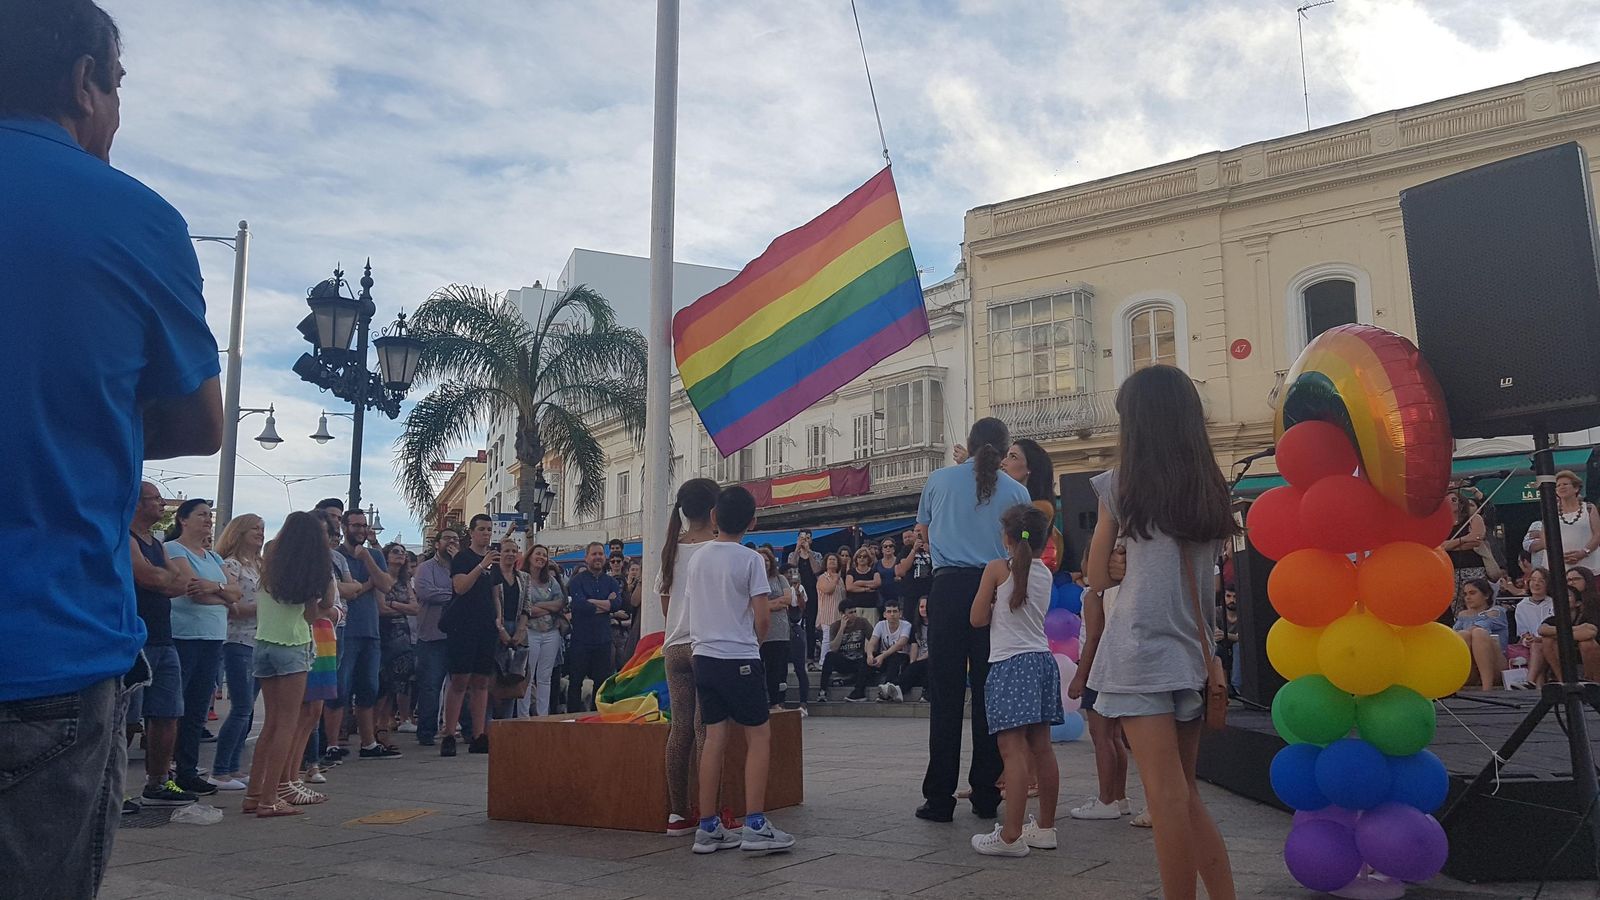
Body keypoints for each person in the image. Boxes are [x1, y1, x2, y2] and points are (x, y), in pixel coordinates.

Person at [0, 1, 225, 892]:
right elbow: (201, 426)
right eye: (119, 85)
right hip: (41, 650)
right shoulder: (134, 218)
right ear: (84, 80)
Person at [1073, 365, 1236, 900]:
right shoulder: (1210, 487)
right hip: (1192, 652)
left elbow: (1096, 577)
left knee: (1164, 797)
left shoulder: (1119, 484)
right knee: (1186, 794)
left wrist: (1116, 559)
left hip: (1138, 649)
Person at [915, 417, 1032, 822]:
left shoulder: (938, 480)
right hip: (996, 588)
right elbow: (1026, 541)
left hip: (948, 589)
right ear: (1004, 448)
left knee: (945, 696)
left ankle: (939, 798)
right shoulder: (1017, 491)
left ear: (969, 442)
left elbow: (923, 533)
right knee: (989, 695)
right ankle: (985, 793)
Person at [684, 486, 795, 854]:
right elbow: (762, 618)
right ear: (753, 522)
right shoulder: (750, 560)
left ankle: (707, 825)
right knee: (758, 736)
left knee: (714, 738)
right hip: (739, 656)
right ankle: (756, 824)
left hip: (703, 656)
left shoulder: (697, 558)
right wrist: (753, 646)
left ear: (714, 516)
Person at [967, 504, 1062, 857]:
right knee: (1042, 747)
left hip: (1010, 663)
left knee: (1013, 750)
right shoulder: (1045, 573)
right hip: (1042, 660)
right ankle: (1046, 828)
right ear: (1043, 540)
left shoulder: (996, 569)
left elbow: (976, 618)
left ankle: (1010, 835)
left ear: (1006, 537)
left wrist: (994, 604)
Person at [244, 512, 334, 818]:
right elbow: (313, 615)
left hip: (263, 643)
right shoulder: (309, 571)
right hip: (292, 645)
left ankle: (254, 793)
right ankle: (270, 798)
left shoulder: (269, 565)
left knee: (270, 723)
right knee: (287, 723)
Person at [164, 499, 241, 798]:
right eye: (201, 515)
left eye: (210, 515)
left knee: (197, 707)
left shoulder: (213, 556)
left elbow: (235, 592)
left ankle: (188, 769)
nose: (208, 520)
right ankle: (166, 769)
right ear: (183, 520)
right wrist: (223, 596)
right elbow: (192, 589)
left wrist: (217, 589)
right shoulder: (174, 549)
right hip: (185, 635)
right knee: (177, 704)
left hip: (212, 637)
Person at [128, 482, 198, 808]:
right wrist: (166, 579)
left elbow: (180, 584)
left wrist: (165, 579)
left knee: (168, 713)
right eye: (154, 498)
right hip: (135, 638)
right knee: (126, 719)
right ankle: (112, 787)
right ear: (136, 503)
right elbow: (149, 578)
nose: (160, 503)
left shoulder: (156, 543)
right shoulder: (126, 538)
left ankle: (157, 782)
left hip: (163, 638)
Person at [660, 479, 718, 835]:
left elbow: (665, 604)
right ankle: (710, 811)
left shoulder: (671, 548)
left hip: (674, 646)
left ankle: (677, 813)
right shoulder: (717, 548)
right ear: (714, 510)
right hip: (706, 646)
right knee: (705, 728)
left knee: (679, 728)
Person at [334, 508, 398, 759]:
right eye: (356, 525)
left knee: (369, 687)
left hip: (370, 631)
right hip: (344, 630)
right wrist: (366, 585)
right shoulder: (336, 555)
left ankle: (368, 743)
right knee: (340, 689)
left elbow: (386, 584)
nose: (361, 530)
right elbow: (344, 592)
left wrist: (366, 559)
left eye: (364, 525)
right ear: (344, 527)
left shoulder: (374, 555)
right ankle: (333, 742)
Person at [290, 517, 343, 793]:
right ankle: (292, 771)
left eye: (328, 533)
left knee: (315, 709)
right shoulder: (295, 563)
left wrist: (331, 611)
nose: (326, 538)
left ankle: (308, 764)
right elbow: (316, 606)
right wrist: (328, 608)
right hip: (300, 636)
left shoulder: (327, 566)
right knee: (299, 708)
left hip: (324, 636)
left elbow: (334, 606)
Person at [213, 513, 265, 790]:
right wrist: (263, 607)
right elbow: (232, 607)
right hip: (239, 641)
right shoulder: (231, 565)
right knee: (242, 707)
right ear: (239, 532)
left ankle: (234, 766)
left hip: (259, 640)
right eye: (254, 528)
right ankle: (220, 769)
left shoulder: (260, 565)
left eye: (262, 528)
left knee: (248, 708)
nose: (260, 533)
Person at [442, 515, 501, 756]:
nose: (486, 534)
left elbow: (495, 593)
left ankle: (479, 735)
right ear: (472, 532)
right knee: (459, 680)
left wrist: (498, 618)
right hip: (463, 626)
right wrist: (481, 566)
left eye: (489, 530)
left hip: (485, 626)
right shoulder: (463, 558)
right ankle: (449, 733)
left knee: (481, 681)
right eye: (482, 529)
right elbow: (460, 587)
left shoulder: (494, 561)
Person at [412, 528, 457, 745]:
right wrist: (457, 594)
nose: (451, 542)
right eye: (447, 538)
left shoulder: (462, 568)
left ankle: (461, 729)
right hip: (432, 635)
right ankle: (427, 731)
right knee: (431, 686)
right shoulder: (425, 568)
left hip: (457, 636)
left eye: (455, 539)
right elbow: (426, 593)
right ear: (437, 544)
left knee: (460, 685)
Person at [566, 543, 621, 714]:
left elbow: (617, 604)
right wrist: (606, 603)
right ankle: (573, 717)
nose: (598, 557)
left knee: (602, 682)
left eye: (600, 554)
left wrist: (592, 601)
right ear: (586, 558)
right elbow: (579, 605)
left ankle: (597, 717)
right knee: (575, 681)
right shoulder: (577, 581)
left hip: (603, 640)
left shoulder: (611, 582)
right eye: (594, 554)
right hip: (581, 640)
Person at [517, 543, 566, 717]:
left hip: (551, 633)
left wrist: (539, 606)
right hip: (530, 632)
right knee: (527, 676)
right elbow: (525, 608)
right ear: (530, 556)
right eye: (538, 554)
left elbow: (559, 603)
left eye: (544, 555)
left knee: (545, 677)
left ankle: (543, 715)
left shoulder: (551, 581)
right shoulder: (522, 578)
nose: (541, 558)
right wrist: (548, 607)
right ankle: (523, 716)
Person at [376, 543, 419, 743]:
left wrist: (393, 604)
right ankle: (375, 726)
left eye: (403, 552)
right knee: (381, 682)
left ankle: (384, 725)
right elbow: (381, 608)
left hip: (402, 635)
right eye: (395, 551)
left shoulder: (405, 581)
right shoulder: (380, 578)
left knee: (397, 683)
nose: (400, 555)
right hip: (383, 633)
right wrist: (402, 607)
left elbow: (415, 608)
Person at [1003, 438, 1065, 571]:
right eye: (1006, 456)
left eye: (1013, 457)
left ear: (1030, 468)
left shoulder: (1042, 507)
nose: (1004, 462)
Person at [1524, 470, 1600, 573]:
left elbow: (1597, 534)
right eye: (1558, 485)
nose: (1561, 487)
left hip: (1588, 564)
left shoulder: (1589, 508)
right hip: (1558, 565)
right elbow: (1545, 537)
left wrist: (1583, 553)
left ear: (1576, 488)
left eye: (1565, 484)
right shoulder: (1550, 510)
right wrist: (1558, 555)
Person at [1540, 573, 1600, 681]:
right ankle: (1563, 680)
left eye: (1567, 596)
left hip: (1588, 654)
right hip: (1565, 653)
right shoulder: (1554, 618)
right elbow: (1542, 630)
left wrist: (1556, 634)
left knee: (1586, 643)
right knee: (1547, 640)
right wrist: (1576, 630)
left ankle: (1592, 681)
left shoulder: (1586, 616)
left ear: (1577, 603)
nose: (1562, 598)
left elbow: (1590, 633)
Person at [1452, 577, 1508, 691]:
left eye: (1472, 593)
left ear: (1486, 595)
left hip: (1495, 666)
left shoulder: (1497, 611)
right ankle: (1455, 684)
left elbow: (1481, 626)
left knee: (1478, 633)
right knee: (1464, 636)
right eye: (1465, 594)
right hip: (1471, 668)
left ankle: (1487, 689)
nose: (1468, 597)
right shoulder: (1462, 616)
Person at [758, 548, 793, 709]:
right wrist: (775, 604)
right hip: (758, 631)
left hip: (779, 631)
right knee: (758, 670)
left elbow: (787, 599)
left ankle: (775, 702)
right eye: (761, 560)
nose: (764, 563)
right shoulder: (753, 579)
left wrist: (763, 606)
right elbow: (751, 604)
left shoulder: (780, 579)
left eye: (766, 560)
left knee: (775, 669)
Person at [818, 609, 874, 702]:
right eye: (850, 613)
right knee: (829, 656)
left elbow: (874, 640)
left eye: (855, 611)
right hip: (844, 661)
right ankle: (822, 691)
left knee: (868, 660)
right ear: (842, 614)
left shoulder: (862, 622)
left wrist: (869, 653)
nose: (854, 614)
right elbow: (834, 648)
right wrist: (842, 628)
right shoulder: (835, 626)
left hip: (859, 660)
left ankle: (858, 691)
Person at [1513, 568, 1556, 689]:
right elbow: (1523, 632)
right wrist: (1527, 638)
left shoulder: (1554, 603)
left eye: (1541, 581)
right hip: (1532, 645)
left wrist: (1538, 639)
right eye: (1533, 580)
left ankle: (1530, 681)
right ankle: (1536, 687)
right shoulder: (1521, 605)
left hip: (1550, 641)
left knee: (1538, 646)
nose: (1536, 584)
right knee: (1536, 647)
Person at [788, 530, 825, 660]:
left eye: (807, 538)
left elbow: (817, 570)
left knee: (810, 624)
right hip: (797, 592)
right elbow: (791, 566)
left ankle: (810, 655)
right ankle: (796, 655)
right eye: (802, 538)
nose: (805, 541)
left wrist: (808, 552)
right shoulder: (792, 554)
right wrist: (797, 549)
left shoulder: (817, 555)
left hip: (813, 592)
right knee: (796, 623)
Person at [868, 600, 914, 701]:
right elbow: (872, 642)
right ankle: (859, 691)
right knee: (865, 658)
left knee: (895, 656)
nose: (892, 614)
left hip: (901, 657)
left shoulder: (906, 625)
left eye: (895, 611)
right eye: (889, 611)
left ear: (900, 613)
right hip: (884, 658)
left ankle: (886, 690)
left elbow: (901, 643)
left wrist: (882, 656)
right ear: (884, 614)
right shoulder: (880, 624)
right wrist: (869, 655)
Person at [814, 554, 845, 671]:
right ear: (825, 563)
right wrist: (835, 579)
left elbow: (843, 596)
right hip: (827, 613)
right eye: (830, 559)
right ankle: (823, 662)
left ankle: (834, 663)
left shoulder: (841, 579)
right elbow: (828, 590)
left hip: (838, 614)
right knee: (827, 638)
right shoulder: (822, 578)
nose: (832, 561)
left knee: (837, 639)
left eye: (834, 559)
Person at [846, 548, 882, 617]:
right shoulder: (851, 572)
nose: (862, 558)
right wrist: (865, 589)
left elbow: (877, 583)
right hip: (855, 607)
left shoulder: (874, 571)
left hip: (871, 607)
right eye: (859, 556)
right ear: (856, 559)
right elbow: (849, 587)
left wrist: (859, 583)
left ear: (868, 559)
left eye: (864, 556)